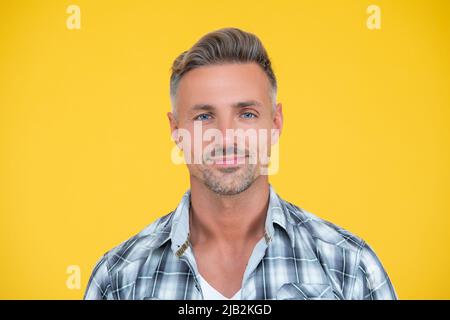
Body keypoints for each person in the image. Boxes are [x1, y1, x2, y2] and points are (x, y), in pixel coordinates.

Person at [84, 27, 397, 300]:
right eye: (204, 116)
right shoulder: (118, 279)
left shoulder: (351, 267)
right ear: (176, 131)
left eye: (247, 114)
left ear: (275, 123)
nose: (226, 136)